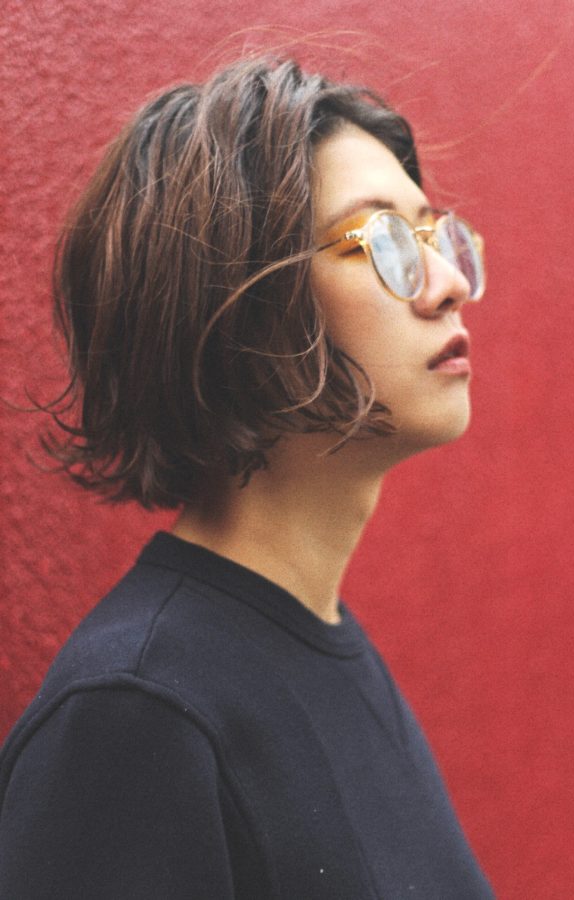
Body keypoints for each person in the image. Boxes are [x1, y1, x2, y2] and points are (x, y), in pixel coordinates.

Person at [0, 55, 494, 898]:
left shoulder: (315, 640)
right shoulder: (141, 713)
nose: (449, 285)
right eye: (380, 242)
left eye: (434, 236)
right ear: (234, 306)